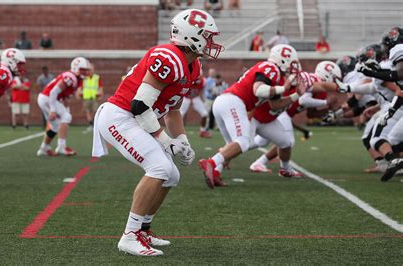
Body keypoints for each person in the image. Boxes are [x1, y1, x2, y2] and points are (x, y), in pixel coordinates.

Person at [92, 9, 223, 256]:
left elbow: (173, 110)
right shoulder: (168, 57)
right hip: (120, 116)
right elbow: (139, 105)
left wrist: (182, 141)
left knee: (171, 175)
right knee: (160, 168)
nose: (211, 42)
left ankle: (143, 230)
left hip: (137, 118)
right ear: (191, 36)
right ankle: (129, 236)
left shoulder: (192, 66)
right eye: (207, 36)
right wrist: (165, 140)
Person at [199, 44, 299, 188]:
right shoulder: (271, 68)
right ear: (282, 60)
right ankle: (211, 163)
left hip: (225, 102)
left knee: (231, 146)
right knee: (243, 142)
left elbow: (274, 104)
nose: (292, 68)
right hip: (233, 102)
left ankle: (215, 173)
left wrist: (296, 94)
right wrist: (284, 88)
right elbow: (258, 90)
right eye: (291, 63)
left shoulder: (271, 74)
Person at [250, 61, 342, 176]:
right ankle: (268, 165)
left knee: (261, 141)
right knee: (288, 142)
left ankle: (229, 151)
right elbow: (303, 100)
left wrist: (328, 113)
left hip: (283, 111)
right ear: (329, 75)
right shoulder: (314, 80)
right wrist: (326, 102)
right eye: (335, 79)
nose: (335, 83)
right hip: (283, 111)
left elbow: (311, 114)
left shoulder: (321, 91)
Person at [352, 27, 403, 181]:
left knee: (380, 140)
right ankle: (394, 162)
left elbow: (399, 74)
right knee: (392, 142)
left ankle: (392, 162)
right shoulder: (388, 66)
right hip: (397, 105)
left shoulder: (398, 49)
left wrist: (372, 72)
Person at [37, 57, 89, 156]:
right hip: (48, 98)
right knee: (66, 117)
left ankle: (44, 148)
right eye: (82, 69)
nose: (85, 72)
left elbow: (63, 95)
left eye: (86, 70)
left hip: (47, 98)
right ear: (75, 68)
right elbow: (53, 92)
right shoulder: (71, 77)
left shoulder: (76, 79)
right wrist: (53, 110)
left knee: (55, 125)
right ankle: (61, 147)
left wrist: (65, 106)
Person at [77, 63, 103, 133]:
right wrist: (79, 93)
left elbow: (100, 87)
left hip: (95, 97)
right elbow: (80, 87)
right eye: (89, 69)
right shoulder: (84, 78)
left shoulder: (97, 77)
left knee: (96, 111)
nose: (90, 71)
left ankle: (96, 125)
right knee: (88, 112)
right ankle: (91, 125)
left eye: (91, 69)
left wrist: (100, 94)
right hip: (86, 97)